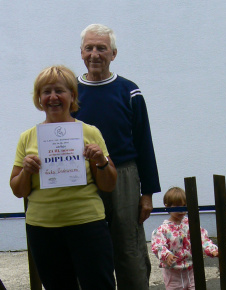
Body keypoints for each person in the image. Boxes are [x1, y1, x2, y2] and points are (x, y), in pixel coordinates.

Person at [10, 65, 117, 290]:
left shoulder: (90, 132)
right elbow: (18, 190)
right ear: (39, 98)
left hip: (87, 223)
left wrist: (101, 161)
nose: (53, 97)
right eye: (46, 91)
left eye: (60, 90)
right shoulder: (27, 137)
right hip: (43, 228)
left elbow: (109, 184)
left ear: (72, 96)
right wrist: (26, 171)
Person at [71, 23, 161, 289]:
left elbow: (144, 143)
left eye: (102, 48)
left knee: (128, 245)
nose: (95, 54)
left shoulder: (129, 91)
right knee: (89, 244)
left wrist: (147, 194)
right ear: (81, 53)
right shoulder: (70, 93)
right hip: (84, 177)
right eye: (89, 48)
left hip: (124, 174)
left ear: (114, 53)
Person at [151, 187, 218, 290]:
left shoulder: (190, 224)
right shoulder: (163, 229)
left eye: (184, 206)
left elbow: (202, 238)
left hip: (191, 268)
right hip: (173, 271)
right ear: (168, 206)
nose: (182, 210)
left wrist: (212, 249)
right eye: (177, 206)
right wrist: (166, 255)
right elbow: (158, 245)